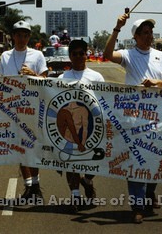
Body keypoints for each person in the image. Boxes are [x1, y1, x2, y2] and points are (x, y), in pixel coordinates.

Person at [104, 14, 162, 224]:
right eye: (145, 33)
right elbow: (107, 54)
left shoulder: (161, 56)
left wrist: (156, 82)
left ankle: (149, 192)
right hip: (133, 118)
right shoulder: (128, 55)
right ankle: (137, 205)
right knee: (135, 161)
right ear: (135, 36)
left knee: (155, 159)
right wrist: (117, 28)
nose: (149, 36)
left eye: (151, 32)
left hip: (158, 117)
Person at [0, 20, 48, 204]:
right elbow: (1, 81)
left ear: (29, 37)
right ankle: (29, 185)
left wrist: (33, 75)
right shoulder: (5, 56)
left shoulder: (37, 55)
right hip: (12, 108)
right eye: (19, 34)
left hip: (32, 107)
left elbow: (45, 79)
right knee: (19, 147)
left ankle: (36, 184)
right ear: (13, 36)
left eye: (25, 35)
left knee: (33, 146)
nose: (22, 38)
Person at [58, 39, 104, 213]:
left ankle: (88, 179)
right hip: (69, 127)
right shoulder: (62, 78)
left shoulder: (96, 77)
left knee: (98, 157)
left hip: (92, 124)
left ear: (87, 54)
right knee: (71, 161)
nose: (78, 56)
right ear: (69, 56)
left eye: (81, 53)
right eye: (74, 53)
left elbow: (104, 100)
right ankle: (75, 195)